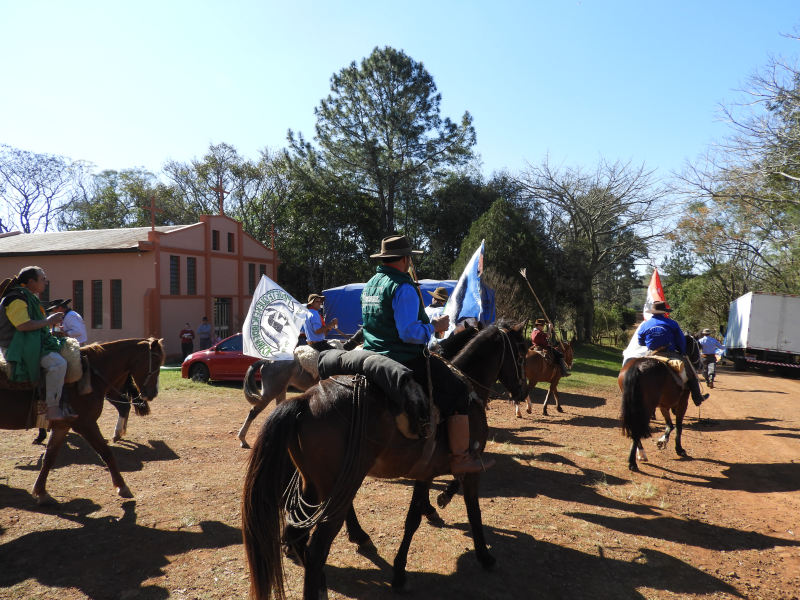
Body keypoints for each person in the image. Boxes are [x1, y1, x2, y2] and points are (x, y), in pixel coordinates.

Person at [362, 235, 494, 474]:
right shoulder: (402, 286)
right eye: (410, 258)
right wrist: (435, 327)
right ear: (405, 259)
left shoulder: (371, 283)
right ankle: (460, 457)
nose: (410, 263)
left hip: (370, 355)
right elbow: (408, 333)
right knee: (459, 391)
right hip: (403, 356)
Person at [0, 266, 75, 422]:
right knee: (58, 363)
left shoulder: (28, 296)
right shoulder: (16, 298)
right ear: (31, 281)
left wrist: (49, 326)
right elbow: (22, 325)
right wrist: (48, 321)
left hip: (30, 341)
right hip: (17, 345)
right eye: (43, 279)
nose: (46, 283)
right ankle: (52, 407)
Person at [637, 301, 709, 406]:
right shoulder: (672, 323)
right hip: (669, 353)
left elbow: (640, 342)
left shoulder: (645, 324)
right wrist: (682, 351)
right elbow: (681, 340)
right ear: (664, 312)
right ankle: (697, 397)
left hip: (651, 354)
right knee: (690, 372)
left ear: (653, 312)